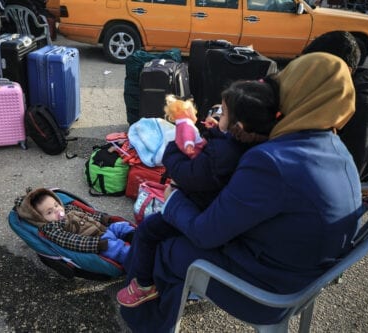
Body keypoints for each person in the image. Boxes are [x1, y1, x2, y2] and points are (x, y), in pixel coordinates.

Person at [118, 52, 363, 331]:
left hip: (267, 294)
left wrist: (172, 201)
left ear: (298, 90)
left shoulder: (272, 161)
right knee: (174, 224)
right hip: (303, 279)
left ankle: (144, 321)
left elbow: (204, 232)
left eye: (288, 78)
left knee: (166, 246)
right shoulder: (334, 146)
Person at [116, 77, 281, 307]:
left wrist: (180, 134)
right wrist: (217, 132)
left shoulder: (224, 154)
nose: (217, 115)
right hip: (216, 209)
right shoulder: (251, 145)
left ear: (238, 128)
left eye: (222, 113)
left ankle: (144, 285)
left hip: (197, 207)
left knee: (148, 230)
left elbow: (186, 173)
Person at [301, 31, 368, 183]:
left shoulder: (364, 109)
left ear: (342, 69)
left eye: (315, 69)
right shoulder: (337, 88)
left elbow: (345, 176)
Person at [15, 187, 134, 264]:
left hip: (104, 228)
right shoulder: (52, 228)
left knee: (121, 226)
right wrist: (96, 244)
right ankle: (138, 258)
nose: (57, 211)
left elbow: (87, 215)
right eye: (49, 212)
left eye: (56, 205)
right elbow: (70, 241)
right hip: (96, 241)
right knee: (116, 248)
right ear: (40, 218)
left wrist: (102, 218)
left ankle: (135, 236)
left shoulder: (69, 208)